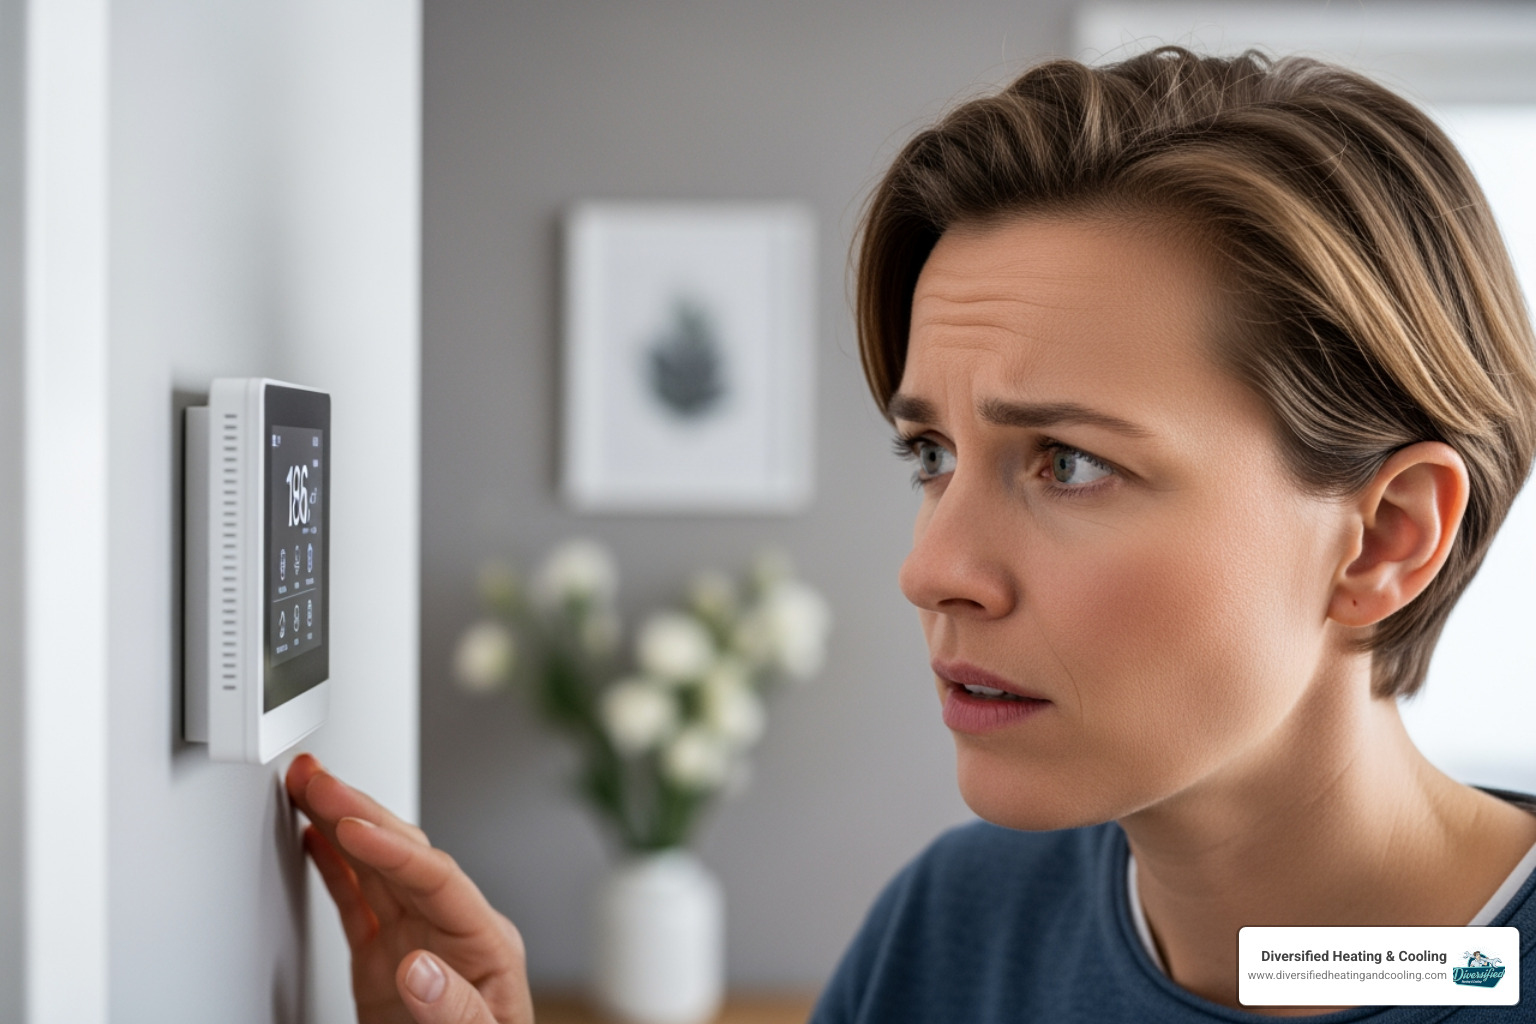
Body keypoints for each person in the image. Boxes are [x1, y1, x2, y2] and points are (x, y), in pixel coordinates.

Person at [291, 47, 1536, 1023]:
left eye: (1073, 462)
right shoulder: (955, 930)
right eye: (932, 455)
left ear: (1385, 538)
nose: (930, 567)